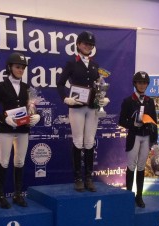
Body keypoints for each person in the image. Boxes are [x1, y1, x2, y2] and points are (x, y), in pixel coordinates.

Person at [57, 31, 110, 192]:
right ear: (79, 44)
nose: (88, 46)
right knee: (78, 141)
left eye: (90, 45)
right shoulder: (71, 63)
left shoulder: (95, 66)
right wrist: (66, 98)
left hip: (92, 107)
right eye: (85, 44)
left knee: (89, 141)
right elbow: (60, 84)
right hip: (77, 107)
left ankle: (89, 178)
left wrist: (102, 98)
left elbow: (98, 85)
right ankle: (78, 178)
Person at [0, 52, 40, 209]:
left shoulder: (27, 88)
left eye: (23, 68)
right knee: (4, 161)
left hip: (23, 129)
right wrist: (5, 119)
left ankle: (17, 194)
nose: (21, 70)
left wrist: (36, 115)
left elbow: (31, 107)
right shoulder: (1, 86)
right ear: (10, 67)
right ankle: (1, 195)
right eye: (18, 67)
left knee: (19, 161)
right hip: (6, 129)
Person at [119, 71, 158, 208]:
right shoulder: (128, 101)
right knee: (131, 165)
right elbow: (121, 120)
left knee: (141, 167)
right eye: (140, 83)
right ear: (135, 84)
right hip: (134, 136)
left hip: (146, 137)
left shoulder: (150, 101)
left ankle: (139, 196)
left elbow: (154, 121)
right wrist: (132, 124)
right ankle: (129, 195)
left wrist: (155, 140)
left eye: (145, 83)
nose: (142, 85)